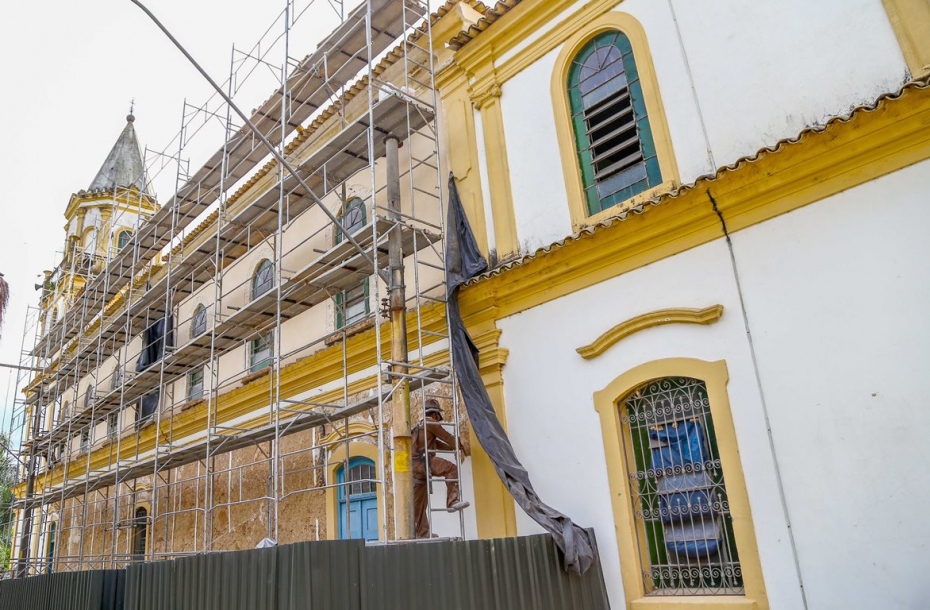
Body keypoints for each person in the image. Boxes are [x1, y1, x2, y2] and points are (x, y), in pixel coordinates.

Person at [412, 399, 470, 538]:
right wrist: (461, 446)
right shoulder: (431, 423)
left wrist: (452, 447)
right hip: (423, 461)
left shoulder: (420, 427)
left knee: (419, 505)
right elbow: (447, 437)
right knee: (451, 469)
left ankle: (422, 533)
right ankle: (452, 502)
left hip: (415, 467)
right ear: (435, 414)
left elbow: (437, 443)